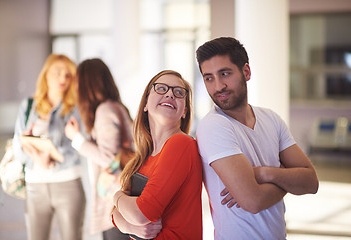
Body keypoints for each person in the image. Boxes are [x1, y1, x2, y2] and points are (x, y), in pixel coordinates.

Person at [195, 37, 319, 240]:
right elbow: (252, 201)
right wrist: (286, 177)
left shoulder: (271, 118)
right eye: (209, 78)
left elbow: (311, 182)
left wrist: (263, 174)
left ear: (246, 72)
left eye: (225, 74)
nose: (218, 86)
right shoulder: (214, 126)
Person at [111, 70, 203, 239]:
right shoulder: (142, 157)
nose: (169, 94)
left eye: (178, 92)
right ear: (145, 103)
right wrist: (129, 226)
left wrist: (117, 196)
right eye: (161, 88)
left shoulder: (181, 144)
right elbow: (115, 215)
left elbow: (141, 214)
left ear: (184, 111)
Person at [12, 54, 86, 240]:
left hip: (68, 183)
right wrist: (36, 158)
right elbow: (17, 146)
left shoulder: (76, 108)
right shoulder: (28, 106)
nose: (63, 78)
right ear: (46, 75)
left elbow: (78, 147)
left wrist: (51, 160)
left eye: (68, 75)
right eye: (58, 73)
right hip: (35, 186)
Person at [64, 58, 132, 240]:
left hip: (116, 202)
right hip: (121, 201)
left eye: (77, 81)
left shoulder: (105, 111)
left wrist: (76, 138)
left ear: (87, 83)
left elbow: (110, 159)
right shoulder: (116, 107)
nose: (75, 87)